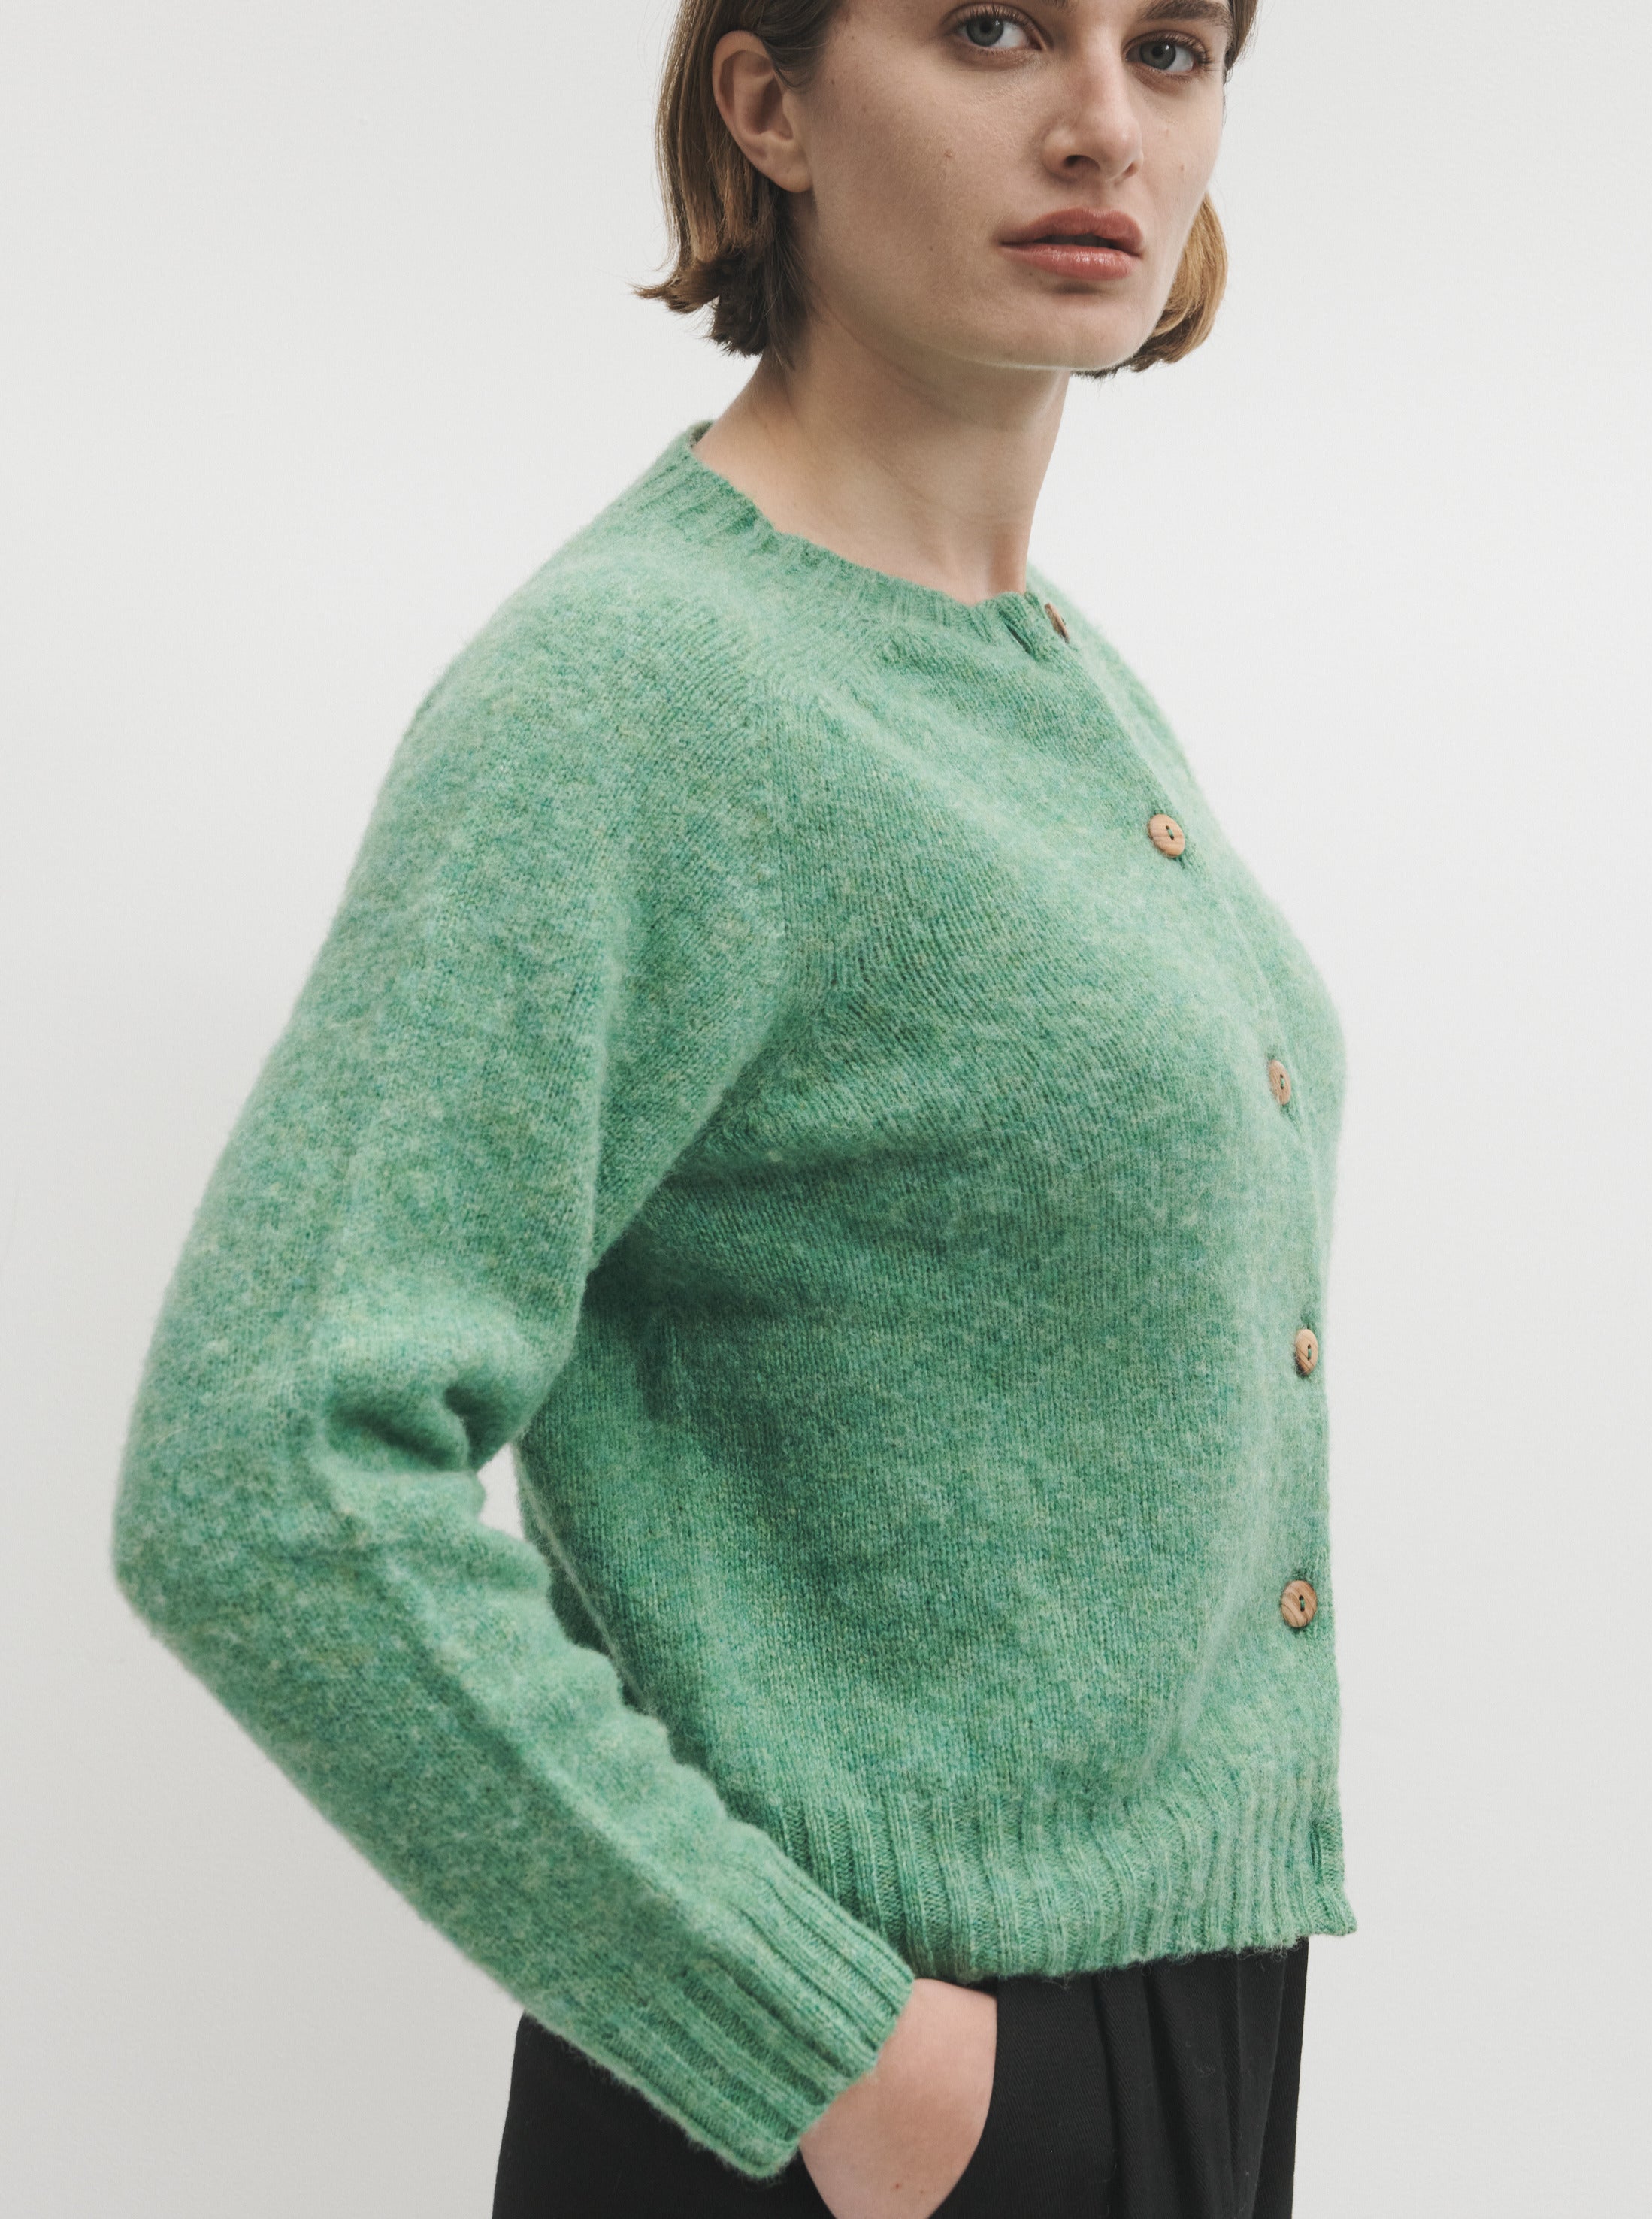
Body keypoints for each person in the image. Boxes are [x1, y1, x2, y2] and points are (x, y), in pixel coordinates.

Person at [110, 0, 1352, 2213]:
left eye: (1169, 46)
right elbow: (266, 1470)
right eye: (994, 28)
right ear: (766, 103)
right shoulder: (638, 695)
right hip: (857, 2090)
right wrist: (845, 2060)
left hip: (1157, 2025)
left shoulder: (1042, 665)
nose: (1101, 123)